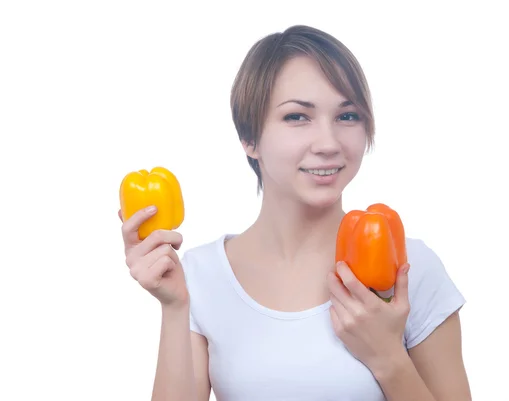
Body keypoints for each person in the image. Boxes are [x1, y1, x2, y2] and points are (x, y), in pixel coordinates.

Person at [119, 25, 471, 401]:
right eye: (297, 117)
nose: (329, 143)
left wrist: (387, 358)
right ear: (249, 139)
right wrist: (174, 307)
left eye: (347, 116)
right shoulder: (200, 276)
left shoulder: (408, 268)